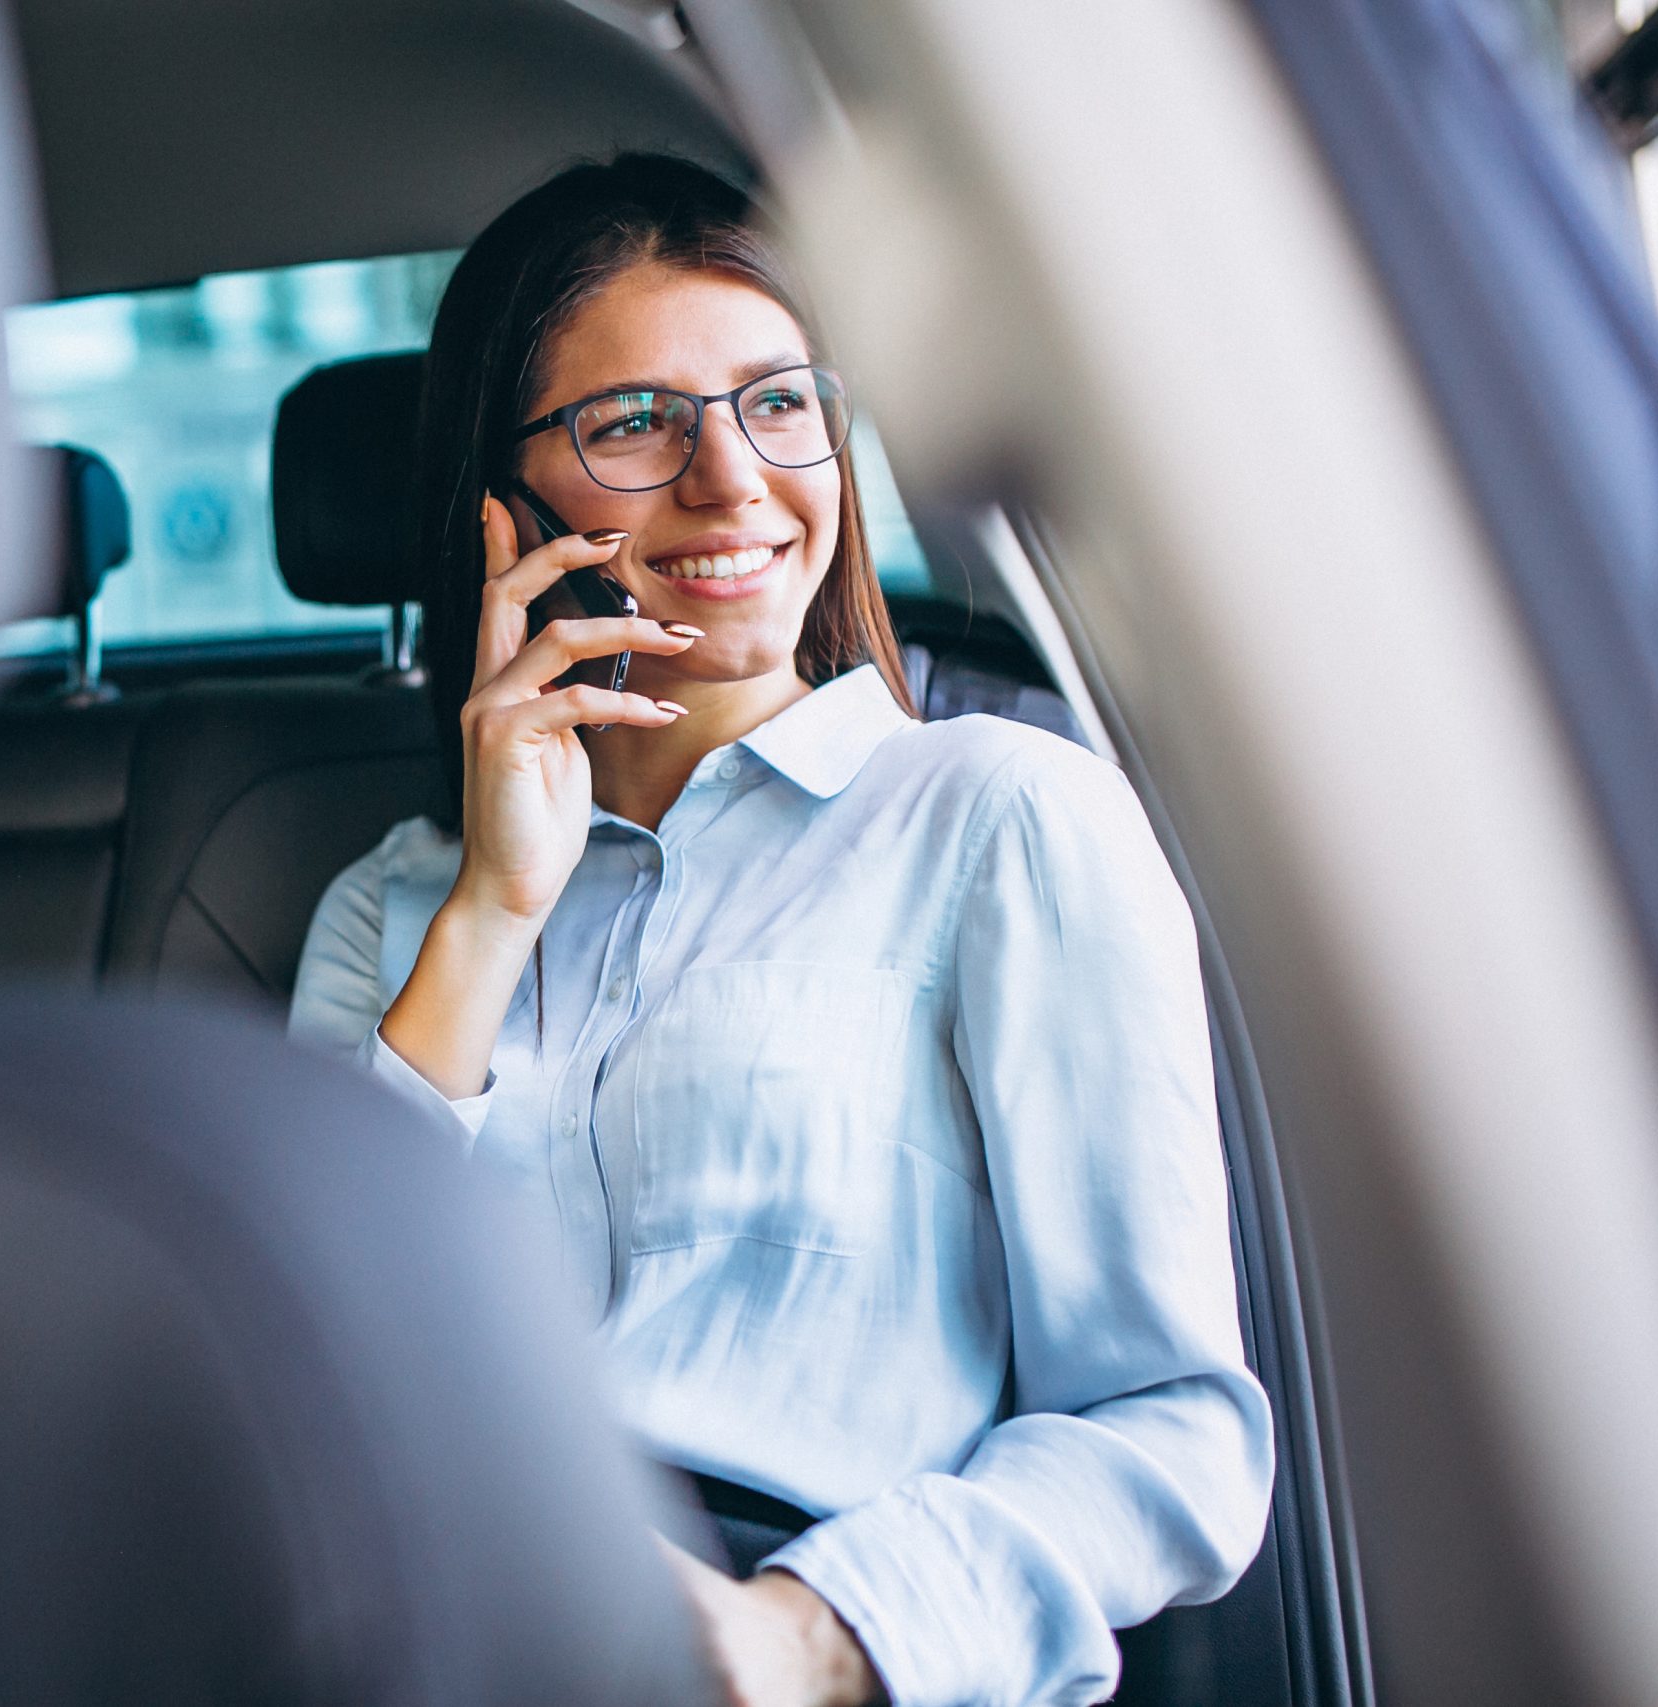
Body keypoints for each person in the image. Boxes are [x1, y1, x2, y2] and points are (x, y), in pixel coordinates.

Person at [290, 155, 1274, 1707]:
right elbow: (299, 1356)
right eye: (633, 424)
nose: (734, 480)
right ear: (502, 504)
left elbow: (1175, 1432)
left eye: (781, 401)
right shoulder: (391, 907)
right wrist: (492, 908)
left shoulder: (1004, 818)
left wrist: (807, 1639)